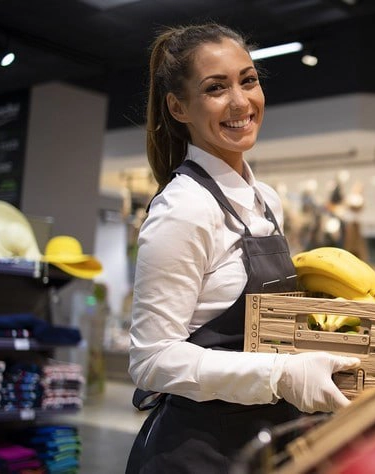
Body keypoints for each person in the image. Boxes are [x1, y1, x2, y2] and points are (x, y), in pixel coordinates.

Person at [125, 22, 360, 473]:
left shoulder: (266, 201)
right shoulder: (184, 208)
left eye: (247, 80)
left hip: (264, 440)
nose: (240, 102)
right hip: (196, 452)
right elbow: (151, 360)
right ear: (179, 107)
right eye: (216, 88)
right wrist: (281, 375)